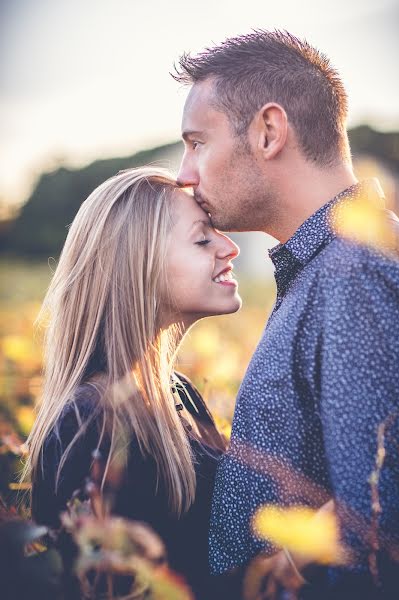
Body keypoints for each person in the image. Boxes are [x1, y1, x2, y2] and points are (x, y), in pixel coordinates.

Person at [173, 30, 399, 598]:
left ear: (268, 132)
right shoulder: (330, 268)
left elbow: (372, 531)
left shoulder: (354, 275)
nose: (184, 172)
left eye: (197, 142)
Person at [27, 166, 242, 599]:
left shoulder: (178, 392)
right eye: (202, 239)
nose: (230, 247)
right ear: (137, 268)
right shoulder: (87, 424)